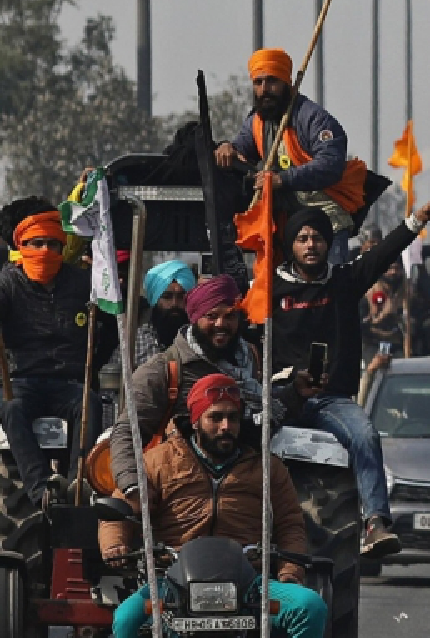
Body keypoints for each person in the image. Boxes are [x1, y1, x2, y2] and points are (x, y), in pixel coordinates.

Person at [102, 373, 324, 638]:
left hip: (250, 580)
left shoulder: (268, 467)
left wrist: (289, 571)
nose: (226, 426)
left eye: (233, 418)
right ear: (196, 419)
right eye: (215, 417)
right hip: (172, 580)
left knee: (309, 607)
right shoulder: (157, 461)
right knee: (125, 619)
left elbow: (289, 523)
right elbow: (122, 509)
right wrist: (117, 543)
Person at [262, 197, 430, 557]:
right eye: (302, 238)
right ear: (290, 245)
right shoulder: (269, 291)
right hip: (281, 397)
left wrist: (417, 220)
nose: (311, 245)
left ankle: (376, 522)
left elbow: (385, 252)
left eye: (317, 238)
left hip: (331, 400)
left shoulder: (344, 281)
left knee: (364, 434)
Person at [109, 274, 288, 495]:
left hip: (242, 489)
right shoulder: (164, 370)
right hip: (178, 489)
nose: (221, 324)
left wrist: (297, 394)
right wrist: (133, 486)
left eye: (230, 316)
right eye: (211, 316)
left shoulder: (250, 358)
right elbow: (127, 432)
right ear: (194, 318)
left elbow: (260, 416)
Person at [0, 199, 116, 499]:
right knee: (11, 408)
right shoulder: (7, 283)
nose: (45, 252)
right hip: (23, 381)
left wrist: (95, 363)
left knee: (89, 404)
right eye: (36, 244)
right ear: (22, 246)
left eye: (53, 245)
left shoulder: (81, 283)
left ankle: (78, 482)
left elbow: (111, 324)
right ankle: (40, 489)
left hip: (70, 381)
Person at [214, 48, 376, 242]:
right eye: (258, 82)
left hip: (325, 225)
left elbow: (331, 163)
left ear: (286, 82)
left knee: (331, 273)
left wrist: (282, 179)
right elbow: (240, 150)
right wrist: (226, 147)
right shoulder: (256, 122)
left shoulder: (314, 118)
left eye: (272, 81)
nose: (264, 89)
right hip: (289, 227)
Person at [133, 259, 195, 366]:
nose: (174, 304)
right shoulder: (135, 340)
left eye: (181, 297)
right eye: (167, 297)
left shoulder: (199, 338)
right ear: (155, 299)